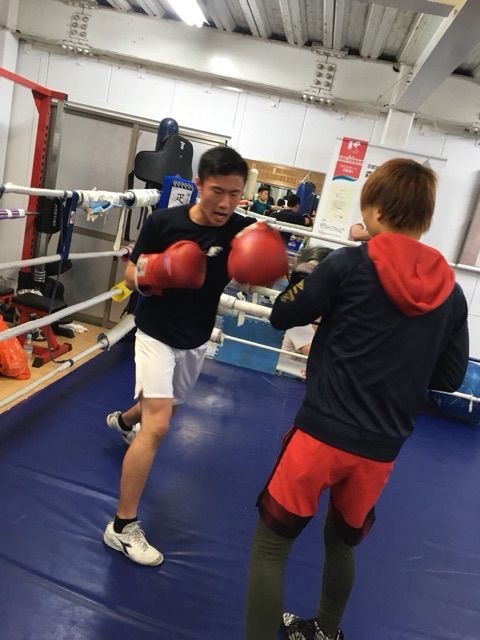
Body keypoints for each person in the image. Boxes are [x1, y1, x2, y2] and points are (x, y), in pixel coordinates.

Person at [245, 158, 469, 639]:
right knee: (341, 543)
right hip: (381, 449)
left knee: (271, 546)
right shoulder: (452, 294)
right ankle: (326, 631)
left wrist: (303, 275)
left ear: (376, 210)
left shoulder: (347, 265)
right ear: (426, 218)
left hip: (321, 434)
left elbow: (282, 315)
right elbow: (450, 377)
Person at [103, 145, 287, 566]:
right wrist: (159, 271)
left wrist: (262, 267)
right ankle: (122, 527)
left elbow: (269, 267)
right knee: (158, 425)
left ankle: (124, 421)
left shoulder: (242, 231)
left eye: (234, 194)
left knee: (165, 405)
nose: (225, 203)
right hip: (155, 333)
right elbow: (130, 272)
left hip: (196, 339)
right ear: (200, 185)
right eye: (217, 191)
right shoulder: (164, 222)